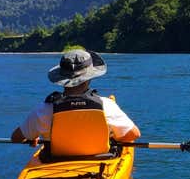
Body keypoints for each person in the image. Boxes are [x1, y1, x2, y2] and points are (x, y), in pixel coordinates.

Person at [11, 48, 141, 158]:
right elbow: (134, 134)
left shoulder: (44, 109)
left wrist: (31, 136)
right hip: (98, 162)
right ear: (89, 77)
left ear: (61, 78)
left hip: (55, 163)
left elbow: (16, 138)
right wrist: (111, 136)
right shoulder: (106, 105)